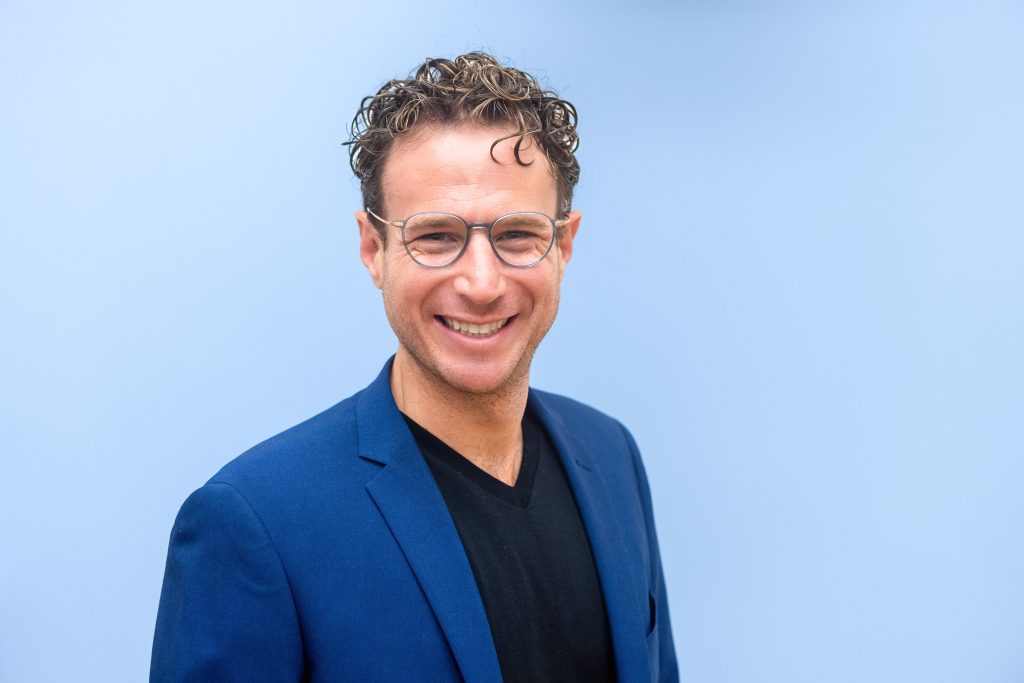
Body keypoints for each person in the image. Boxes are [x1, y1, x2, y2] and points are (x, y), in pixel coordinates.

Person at [151, 52, 677, 683]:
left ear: (563, 246)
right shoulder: (254, 521)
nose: (481, 283)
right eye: (435, 237)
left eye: (517, 234)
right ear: (373, 249)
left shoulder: (612, 456)